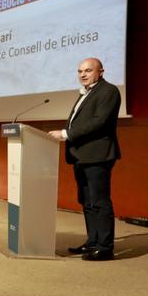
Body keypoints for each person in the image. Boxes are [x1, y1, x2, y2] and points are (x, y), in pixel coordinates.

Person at [48, 57, 121, 261]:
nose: (83, 74)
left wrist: (65, 134)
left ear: (101, 72)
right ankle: (93, 241)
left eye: (88, 70)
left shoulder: (109, 91)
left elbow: (99, 123)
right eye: (80, 71)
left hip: (97, 155)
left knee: (99, 201)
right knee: (87, 202)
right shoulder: (87, 93)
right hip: (82, 155)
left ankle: (105, 247)